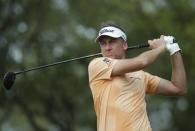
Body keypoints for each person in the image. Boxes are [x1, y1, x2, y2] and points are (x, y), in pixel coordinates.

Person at [88, 24, 187, 131]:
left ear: (125, 45)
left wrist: (174, 50)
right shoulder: (97, 65)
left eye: (112, 41)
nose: (107, 48)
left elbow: (178, 88)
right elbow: (142, 62)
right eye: (103, 43)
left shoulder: (141, 75)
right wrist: (161, 47)